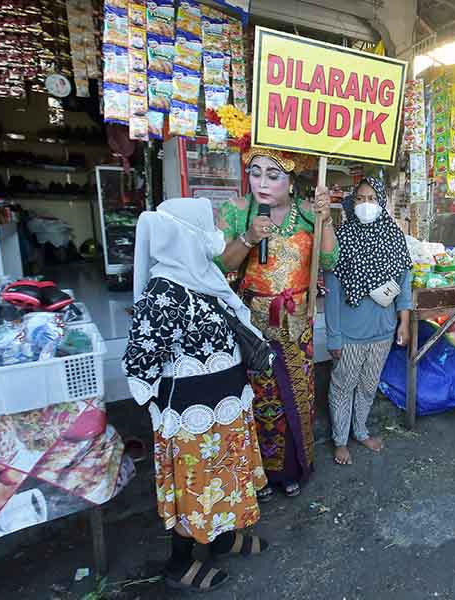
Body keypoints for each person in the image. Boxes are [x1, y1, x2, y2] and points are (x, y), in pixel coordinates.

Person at [124, 198, 269, 593]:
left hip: (226, 408)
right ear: (185, 234)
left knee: (223, 478)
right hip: (193, 419)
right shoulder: (163, 292)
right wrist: (164, 415)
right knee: (197, 487)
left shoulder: (202, 275)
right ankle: (179, 563)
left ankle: (221, 539)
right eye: (212, 225)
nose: (218, 233)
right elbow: (139, 363)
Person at [217, 147, 336, 500]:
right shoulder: (238, 211)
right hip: (252, 324)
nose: (262, 183)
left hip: (297, 322)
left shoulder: (307, 213)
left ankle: (294, 469)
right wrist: (249, 238)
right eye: (256, 173)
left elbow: (328, 259)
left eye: (273, 175)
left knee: (297, 397)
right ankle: (259, 474)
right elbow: (222, 265)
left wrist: (326, 219)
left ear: (291, 179)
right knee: (259, 400)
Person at [325, 177, 413, 465]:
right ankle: (339, 440)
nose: (366, 204)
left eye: (371, 199)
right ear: (352, 202)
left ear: (381, 202)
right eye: (360, 199)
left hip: (383, 330)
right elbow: (333, 291)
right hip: (350, 332)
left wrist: (403, 322)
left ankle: (360, 431)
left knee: (368, 385)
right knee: (343, 385)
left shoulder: (394, 236)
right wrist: (334, 336)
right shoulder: (342, 237)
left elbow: (405, 281)